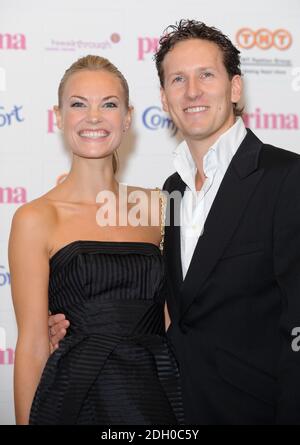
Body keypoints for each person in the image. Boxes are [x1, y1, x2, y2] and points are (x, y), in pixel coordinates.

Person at [50, 20, 300, 425]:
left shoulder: (286, 177)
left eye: (206, 75)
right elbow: (167, 304)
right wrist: (76, 323)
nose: (193, 91)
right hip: (170, 408)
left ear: (235, 89)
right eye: (177, 79)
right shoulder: (170, 191)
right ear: (165, 99)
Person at [9, 55, 183, 425]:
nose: (93, 117)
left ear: (127, 117)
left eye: (108, 104)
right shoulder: (36, 218)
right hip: (73, 399)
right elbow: (33, 344)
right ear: (58, 117)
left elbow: (175, 321)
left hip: (155, 397)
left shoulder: (157, 206)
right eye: (78, 104)